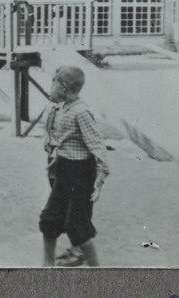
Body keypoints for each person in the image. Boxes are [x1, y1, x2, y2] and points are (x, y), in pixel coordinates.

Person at [38, 65, 109, 267]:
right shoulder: (62, 109)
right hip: (64, 171)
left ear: (64, 86)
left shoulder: (81, 112)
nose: (50, 86)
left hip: (81, 174)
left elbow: (97, 145)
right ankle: (47, 266)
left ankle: (97, 270)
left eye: (53, 81)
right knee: (49, 219)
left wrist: (100, 177)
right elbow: (62, 139)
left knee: (76, 225)